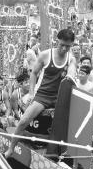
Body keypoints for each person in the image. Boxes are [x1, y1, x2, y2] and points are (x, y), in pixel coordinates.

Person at [5, 29, 77, 158]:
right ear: (56, 41)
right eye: (62, 45)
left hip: (60, 97)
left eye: (68, 46)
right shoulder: (45, 55)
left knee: (70, 125)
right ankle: (11, 149)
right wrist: (31, 93)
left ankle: (65, 153)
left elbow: (71, 73)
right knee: (23, 121)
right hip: (43, 95)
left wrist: (71, 76)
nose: (64, 48)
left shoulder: (71, 59)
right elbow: (33, 73)